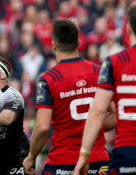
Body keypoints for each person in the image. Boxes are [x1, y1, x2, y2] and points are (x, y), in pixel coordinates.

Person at [74, 2, 136, 175]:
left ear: (128, 29)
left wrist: (83, 156)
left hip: (128, 151)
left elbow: (97, 112)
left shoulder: (114, 62)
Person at [22, 19, 113, 175]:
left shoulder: (48, 79)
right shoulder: (99, 72)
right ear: (78, 42)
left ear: (54, 45)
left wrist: (31, 158)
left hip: (63, 162)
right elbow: (117, 114)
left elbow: (43, 127)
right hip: (97, 160)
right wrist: (91, 128)